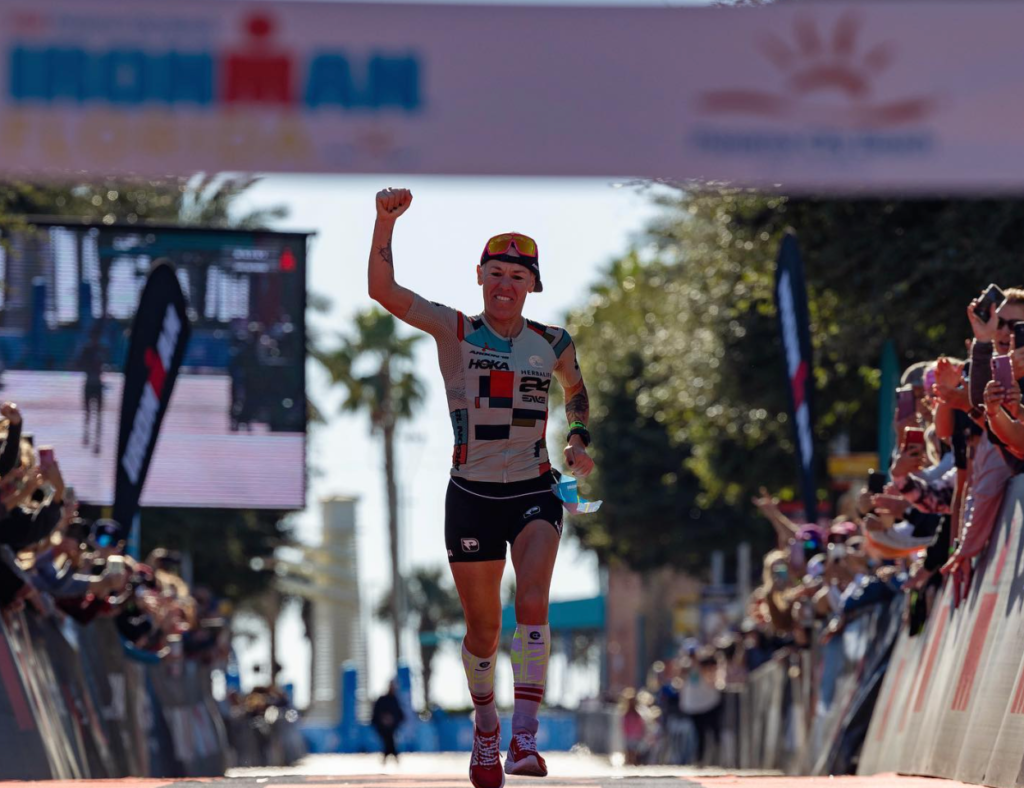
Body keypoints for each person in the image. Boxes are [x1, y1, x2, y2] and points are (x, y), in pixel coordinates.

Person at [368, 188, 596, 787]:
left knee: (534, 600)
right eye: (495, 273)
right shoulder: (456, 328)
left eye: (517, 277)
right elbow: (384, 293)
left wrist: (578, 440)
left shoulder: (553, 343)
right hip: (470, 495)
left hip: (534, 490)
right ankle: (486, 727)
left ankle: (525, 736)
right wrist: (383, 224)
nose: (505, 285)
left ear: (532, 287)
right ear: (479, 278)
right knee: (484, 630)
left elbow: (576, 392)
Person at [371, 680, 405, 765]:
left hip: (392, 728)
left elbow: (400, 715)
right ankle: (391, 759)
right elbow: (376, 713)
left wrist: (392, 721)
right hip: (382, 728)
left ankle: (387, 760)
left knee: (389, 743)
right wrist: (384, 720)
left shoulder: (395, 700)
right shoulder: (382, 699)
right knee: (389, 743)